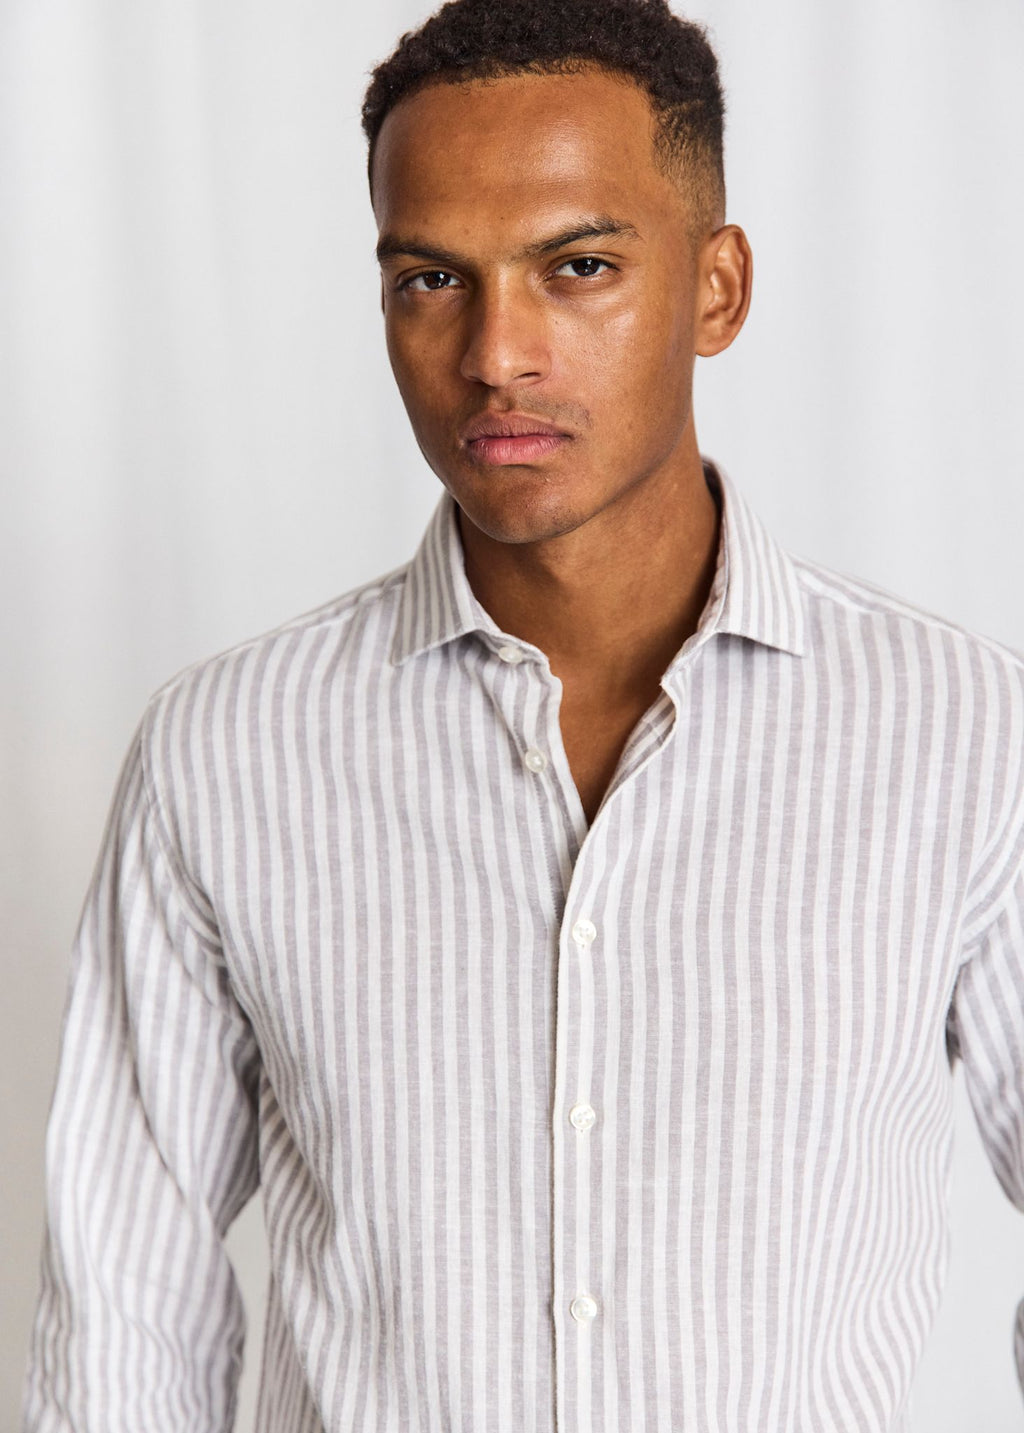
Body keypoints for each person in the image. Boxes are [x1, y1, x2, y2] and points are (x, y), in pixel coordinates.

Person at [23, 0, 1024, 1428]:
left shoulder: (966, 736)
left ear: (718, 288)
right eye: (432, 278)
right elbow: (124, 1325)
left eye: (579, 267)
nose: (497, 353)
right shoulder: (223, 756)